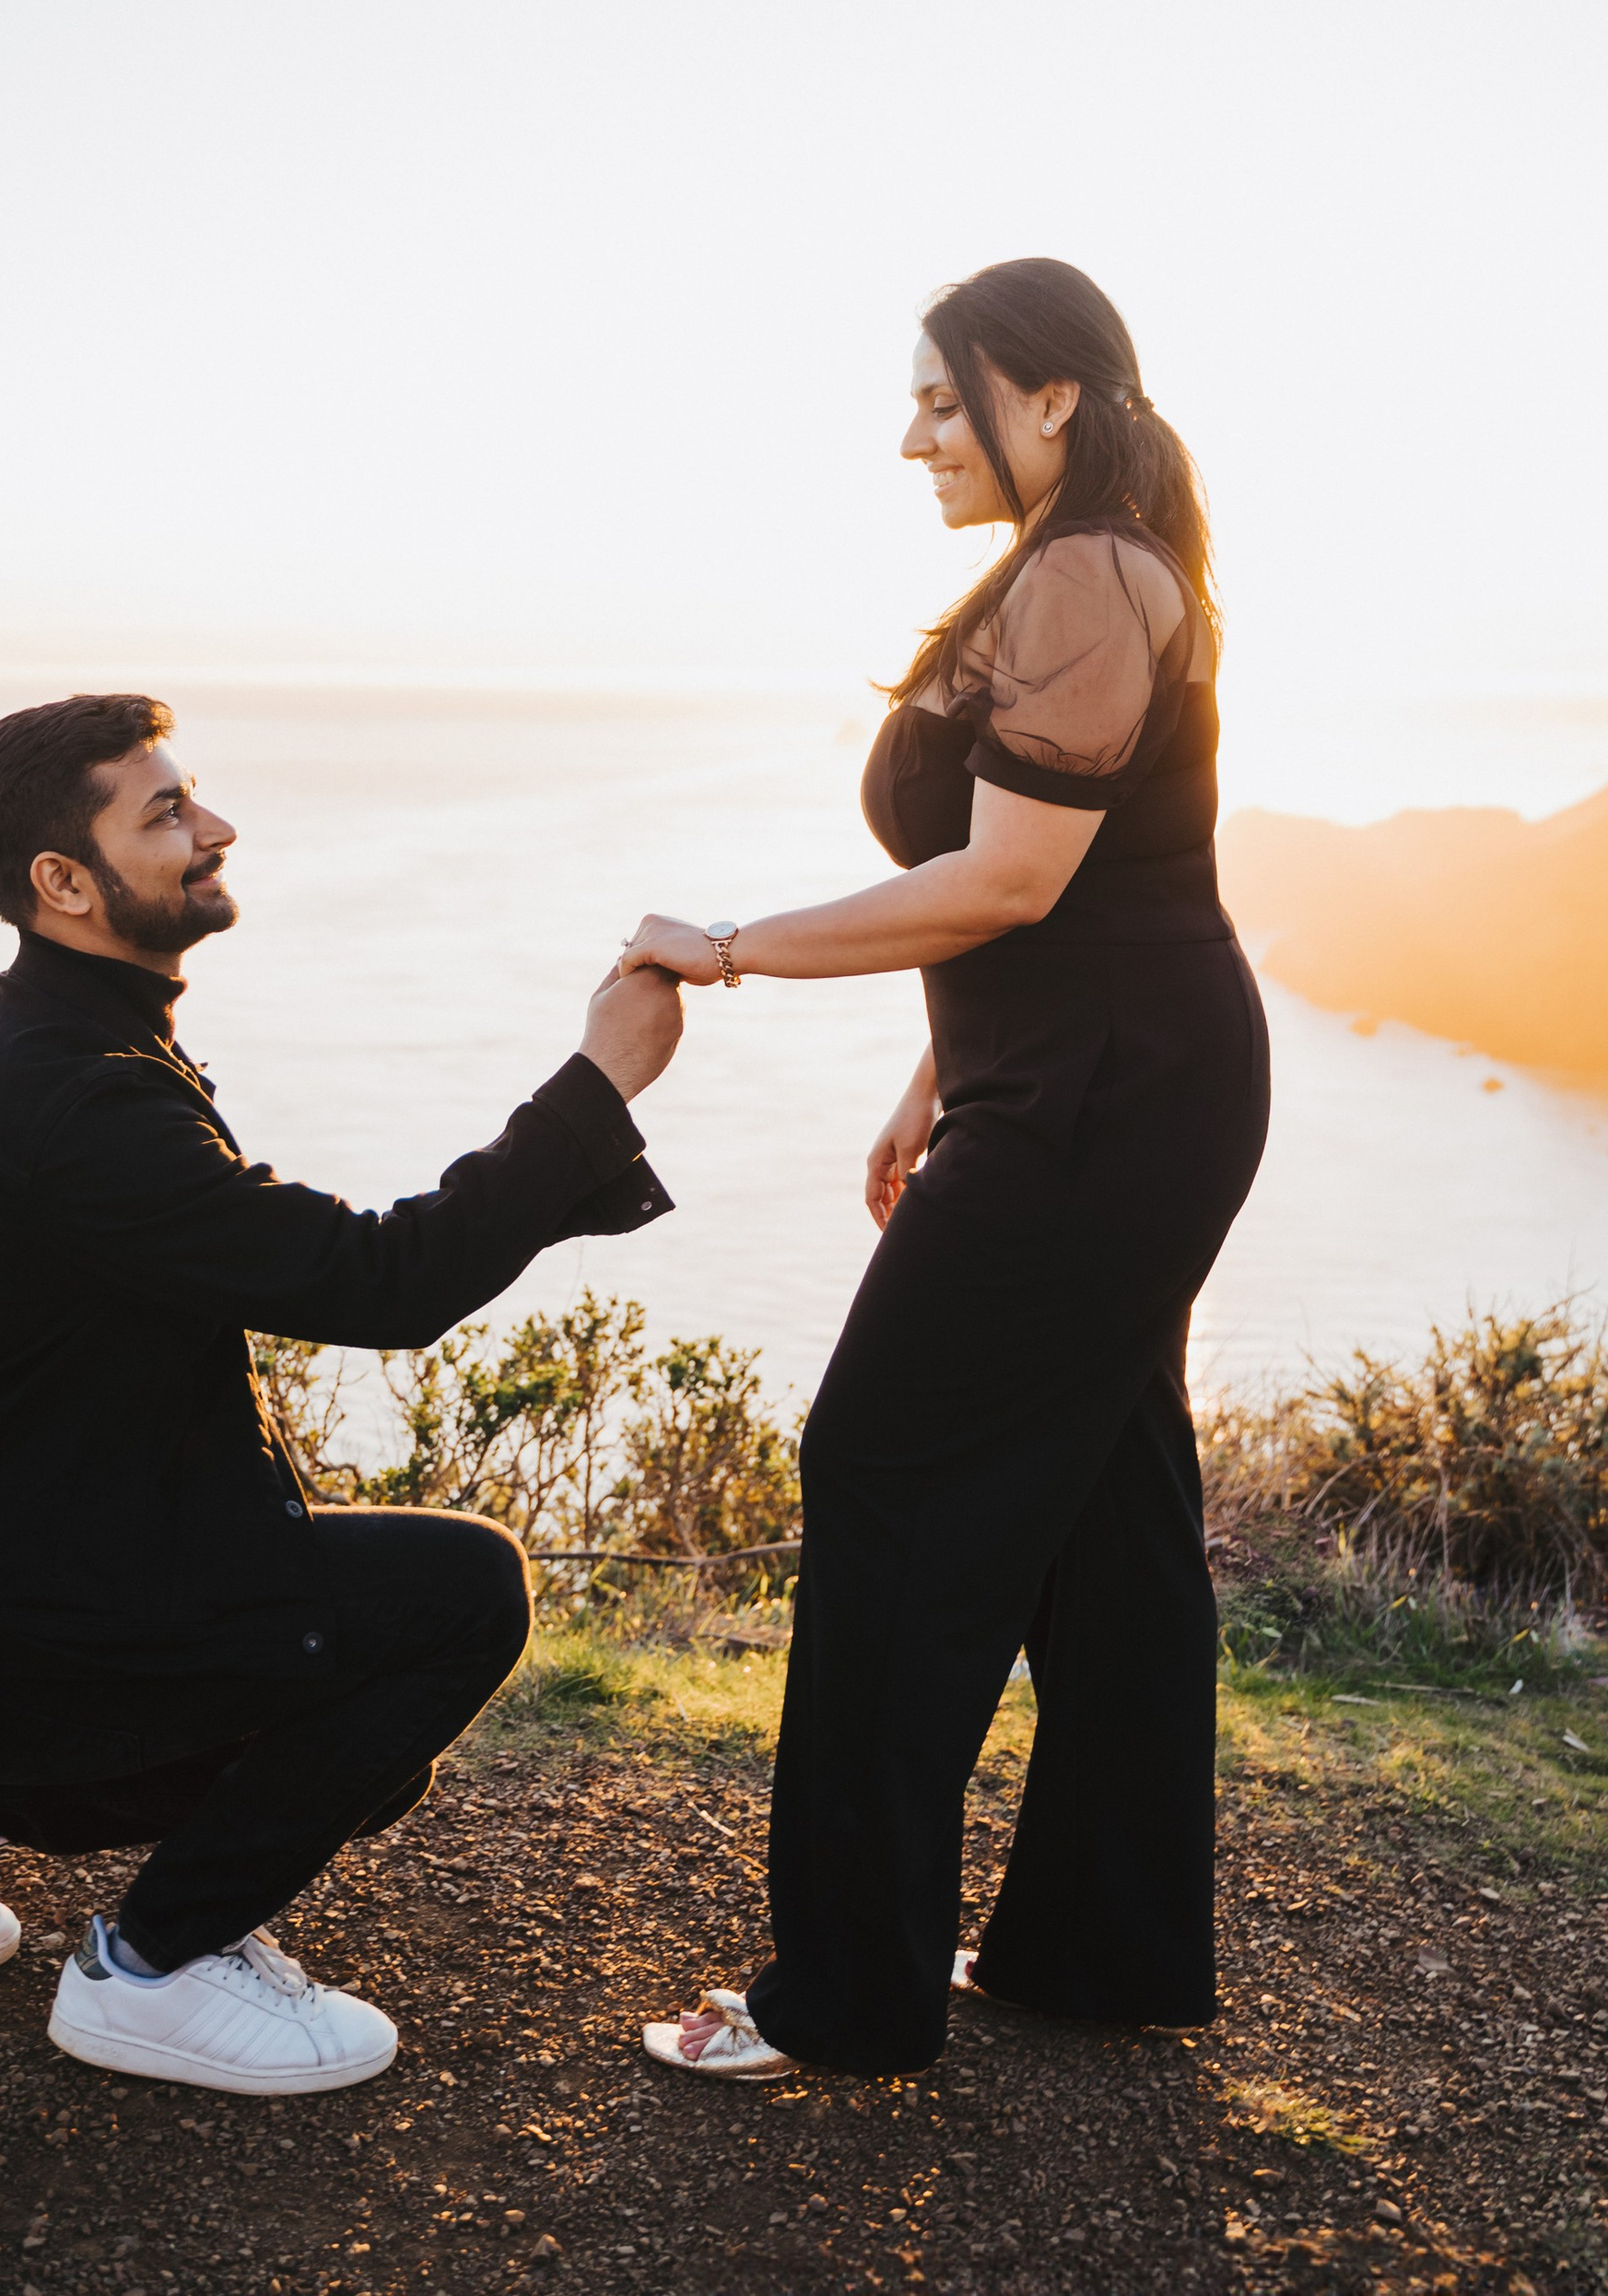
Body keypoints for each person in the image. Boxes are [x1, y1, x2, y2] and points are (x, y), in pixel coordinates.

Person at [0, 691, 681, 2099]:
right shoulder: (76, 1101)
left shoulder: (75, 1046)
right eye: (163, 811)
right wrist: (596, 1083)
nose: (213, 826)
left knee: (356, 1675)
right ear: (62, 881)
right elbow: (378, 1280)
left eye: (192, 793)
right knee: (458, 1604)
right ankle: (149, 1967)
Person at [620, 257, 1269, 2082]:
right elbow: (1082, 883)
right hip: (1100, 1079)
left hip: (1099, 1100)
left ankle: (839, 1993)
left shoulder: (1079, 573)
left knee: (882, 1460)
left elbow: (1008, 882)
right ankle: (1103, 1946)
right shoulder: (1097, 562)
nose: (912, 438)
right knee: (1106, 1501)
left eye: (939, 398)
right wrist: (934, 1068)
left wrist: (726, 945)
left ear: (1047, 394)